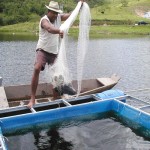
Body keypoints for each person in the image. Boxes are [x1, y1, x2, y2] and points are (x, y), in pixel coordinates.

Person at [28, 0, 84, 108]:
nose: (55, 15)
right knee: (37, 68)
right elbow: (49, 28)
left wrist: (79, 6)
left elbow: (70, 15)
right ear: (48, 11)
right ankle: (32, 99)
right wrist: (59, 31)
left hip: (54, 52)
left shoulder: (58, 17)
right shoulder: (44, 20)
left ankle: (55, 98)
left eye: (56, 13)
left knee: (57, 76)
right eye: (53, 12)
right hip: (42, 50)